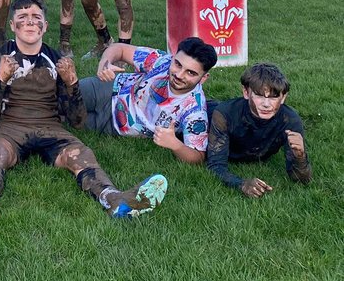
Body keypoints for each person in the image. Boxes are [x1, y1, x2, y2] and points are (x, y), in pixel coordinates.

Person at [0, 0, 168, 224]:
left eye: (36, 17)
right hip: (10, 128)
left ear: (45, 25)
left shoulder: (57, 60)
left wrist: (72, 83)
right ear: (12, 25)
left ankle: (114, 199)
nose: (30, 22)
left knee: (81, 154)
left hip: (51, 129)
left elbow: (77, 121)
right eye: (22, 18)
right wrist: (0, 79)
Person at [78, 37, 217, 164]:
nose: (179, 75)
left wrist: (175, 144)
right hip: (108, 88)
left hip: (114, 125)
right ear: (173, 57)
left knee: (65, 119)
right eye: (178, 64)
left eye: (190, 73)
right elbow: (119, 48)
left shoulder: (195, 110)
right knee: (61, 93)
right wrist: (105, 63)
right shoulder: (162, 61)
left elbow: (198, 156)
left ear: (204, 78)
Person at [206, 62, 311, 196]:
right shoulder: (224, 115)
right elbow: (215, 165)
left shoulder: (290, 120)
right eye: (259, 95)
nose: (266, 104)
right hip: (207, 113)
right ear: (246, 92)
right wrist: (241, 183)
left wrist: (300, 157)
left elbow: (302, 179)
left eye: (273, 97)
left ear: (283, 97)